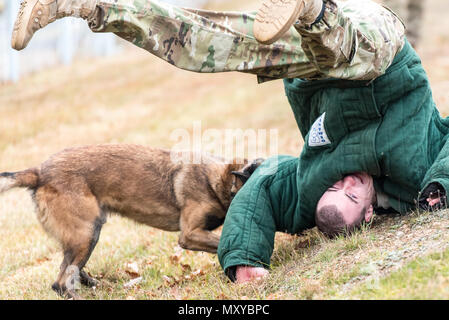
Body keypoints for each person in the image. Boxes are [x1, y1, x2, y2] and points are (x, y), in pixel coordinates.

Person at [10, 0, 446, 284]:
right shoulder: (416, 171)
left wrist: (243, 259)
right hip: (383, 56)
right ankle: (316, 13)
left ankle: (88, 8)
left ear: (369, 216)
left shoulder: (307, 190)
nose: (344, 181)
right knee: (357, 50)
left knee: (213, 45)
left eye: (338, 190)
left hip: (312, 70)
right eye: (348, 190)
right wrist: (439, 185)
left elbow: (259, 194)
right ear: (370, 208)